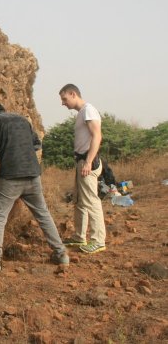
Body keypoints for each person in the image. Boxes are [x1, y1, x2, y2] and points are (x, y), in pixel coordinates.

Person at [0, 102, 69, 272]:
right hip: (33, 174)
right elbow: (36, 144)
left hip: (10, 177)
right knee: (42, 213)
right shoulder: (22, 120)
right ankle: (61, 254)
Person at [58, 84, 106, 254]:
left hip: (87, 161)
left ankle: (98, 240)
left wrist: (88, 162)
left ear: (73, 94)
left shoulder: (88, 110)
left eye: (64, 99)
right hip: (81, 161)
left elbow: (97, 136)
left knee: (91, 201)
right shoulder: (81, 113)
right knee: (79, 201)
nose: (63, 103)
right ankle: (80, 237)